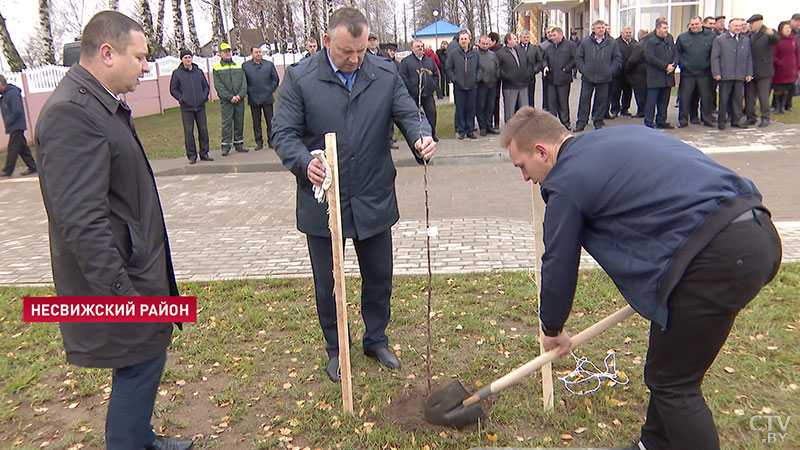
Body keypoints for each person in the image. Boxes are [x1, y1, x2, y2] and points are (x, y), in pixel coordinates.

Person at [500, 106, 781, 450]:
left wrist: (552, 328)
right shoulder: (623, 135)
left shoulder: (566, 182)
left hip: (715, 258)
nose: (526, 177)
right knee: (666, 369)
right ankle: (653, 445)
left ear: (541, 151)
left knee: (675, 384)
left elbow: (558, 261)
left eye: (522, 166)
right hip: (755, 231)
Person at [33, 11, 192, 450]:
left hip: (135, 267)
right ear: (107, 53)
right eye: (139, 58)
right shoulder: (71, 113)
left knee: (145, 360)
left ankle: (140, 436)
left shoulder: (97, 101)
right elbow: (81, 221)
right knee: (139, 366)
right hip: (117, 283)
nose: (146, 67)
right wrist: (120, 297)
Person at [272, 7, 436, 383]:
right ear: (327, 41)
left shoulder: (384, 73)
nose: (356, 58)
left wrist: (420, 137)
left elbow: (409, 114)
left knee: (379, 276)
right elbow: (283, 134)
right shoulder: (300, 78)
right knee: (328, 282)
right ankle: (336, 348)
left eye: (361, 50)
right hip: (323, 199)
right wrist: (303, 162)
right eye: (347, 51)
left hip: (373, 194)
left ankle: (375, 339)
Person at [575, 20, 622, 131]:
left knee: (601, 100)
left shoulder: (611, 42)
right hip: (588, 77)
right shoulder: (586, 42)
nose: (601, 29)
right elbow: (578, 57)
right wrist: (583, 69)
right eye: (599, 27)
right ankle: (581, 122)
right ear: (593, 29)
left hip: (604, 77)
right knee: (584, 100)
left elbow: (617, 58)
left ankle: (598, 121)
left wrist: (610, 70)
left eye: (603, 27)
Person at [169, 49, 212, 164]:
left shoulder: (198, 72)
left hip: (200, 106)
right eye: (185, 58)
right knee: (189, 131)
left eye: (189, 57)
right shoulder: (177, 73)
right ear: (182, 59)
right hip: (186, 108)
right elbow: (173, 89)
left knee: (203, 130)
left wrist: (204, 97)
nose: (188, 60)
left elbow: (206, 86)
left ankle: (204, 153)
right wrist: (182, 99)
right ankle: (192, 155)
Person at [711, 18, 753, 130]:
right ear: (729, 27)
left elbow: (749, 57)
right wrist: (716, 72)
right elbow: (715, 57)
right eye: (735, 26)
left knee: (738, 99)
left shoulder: (745, 39)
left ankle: (736, 120)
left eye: (740, 26)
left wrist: (749, 73)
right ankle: (721, 122)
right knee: (724, 99)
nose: (738, 28)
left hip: (740, 74)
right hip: (725, 74)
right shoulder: (720, 39)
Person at [675, 16, 716, 128]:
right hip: (688, 73)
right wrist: (683, 65)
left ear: (702, 24)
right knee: (685, 98)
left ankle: (707, 119)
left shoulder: (711, 36)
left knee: (706, 97)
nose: (694, 26)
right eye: (692, 24)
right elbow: (677, 53)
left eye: (696, 24)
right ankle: (683, 120)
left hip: (705, 73)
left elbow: (715, 53)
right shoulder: (682, 37)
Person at [744, 14, 780, 128]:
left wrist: (772, 34)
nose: (750, 25)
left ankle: (765, 117)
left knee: (763, 97)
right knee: (749, 96)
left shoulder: (768, 32)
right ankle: (751, 117)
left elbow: (777, 40)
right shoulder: (749, 34)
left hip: (764, 71)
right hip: (751, 70)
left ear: (759, 22)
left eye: (752, 23)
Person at [400, 40, 439, 141]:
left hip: (428, 94)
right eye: (417, 46)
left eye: (422, 46)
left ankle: (431, 135)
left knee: (432, 114)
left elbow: (435, 74)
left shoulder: (429, 61)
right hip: (413, 95)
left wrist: (433, 85)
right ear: (412, 49)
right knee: (414, 117)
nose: (420, 48)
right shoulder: (406, 62)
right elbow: (403, 77)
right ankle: (417, 137)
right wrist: (412, 89)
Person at [446, 30, 482, 140]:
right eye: (462, 39)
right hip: (459, 86)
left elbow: (480, 67)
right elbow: (449, 68)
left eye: (465, 39)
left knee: (471, 109)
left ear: (469, 40)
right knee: (460, 109)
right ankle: (461, 131)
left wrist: (477, 78)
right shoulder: (454, 53)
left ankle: (470, 130)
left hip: (472, 86)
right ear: (459, 41)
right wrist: (454, 79)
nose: (464, 41)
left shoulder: (475, 53)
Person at [213, 42, 248, 155]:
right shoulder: (217, 68)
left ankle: (239, 144)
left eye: (229, 51)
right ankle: (225, 146)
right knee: (227, 123)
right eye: (225, 51)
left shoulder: (238, 66)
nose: (228, 53)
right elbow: (218, 86)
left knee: (239, 121)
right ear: (220, 53)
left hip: (239, 99)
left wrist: (239, 95)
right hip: (226, 101)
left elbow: (244, 83)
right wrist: (229, 97)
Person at [242, 45, 280, 150]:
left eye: (259, 52)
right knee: (256, 122)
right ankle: (259, 142)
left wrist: (270, 89)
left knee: (270, 121)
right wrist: (249, 91)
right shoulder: (246, 66)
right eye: (256, 52)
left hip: (267, 98)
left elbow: (275, 79)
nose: (258, 54)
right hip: (253, 98)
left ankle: (272, 141)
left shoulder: (269, 65)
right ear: (252, 54)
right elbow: (244, 82)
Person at [0, 75, 37, 177]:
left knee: (13, 148)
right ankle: (33, 167)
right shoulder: (5, 95)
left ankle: (8, 170)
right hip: (13, 126)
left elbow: (17, 110)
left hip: (17, 125)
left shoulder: (12, 93)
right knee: (22, 148)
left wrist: (9, 122)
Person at [644, 19, 676, 129]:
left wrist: (673, 65)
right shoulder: (650, 41)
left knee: (664, 101)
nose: (666, 30)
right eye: (664, 28)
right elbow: (650, 57)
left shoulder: (669, 40)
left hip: (668, 77)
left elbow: (676, 54)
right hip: (655, 76)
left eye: (667, 28)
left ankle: (661, 121)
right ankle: (648, 122)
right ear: (658, 29)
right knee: (652, 101)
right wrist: (665, 66)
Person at [542, 27, 576, 130]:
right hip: (551, 79)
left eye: (554, 35)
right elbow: (544, 59)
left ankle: (565, 122)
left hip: (564, 79)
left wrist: (567, 69)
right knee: (551, 103)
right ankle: (553, 124)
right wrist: (545, 66)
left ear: (561, 34)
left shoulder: (570, 45)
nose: (552, 37)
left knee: (563, 102)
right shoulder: (549, 48)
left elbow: (575, 59)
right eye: (551, 36)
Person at [497, 33, 531, 123]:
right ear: (508, 40)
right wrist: (507, 76)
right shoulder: (501, 53)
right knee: (510, 110)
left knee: (525, 110)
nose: (516, 40)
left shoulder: (520, 51)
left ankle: (524, 127)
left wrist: (527, 73)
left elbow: (527, 63)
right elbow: (499, 68)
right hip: (510, 85)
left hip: (523, 84)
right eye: (514, 38)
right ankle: (510, 129)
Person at [772, 21, 800, 114]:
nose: (788, 30)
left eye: (789, 28)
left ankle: (783, 107)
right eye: (786, 28)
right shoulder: (777, 40)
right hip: (779, 69)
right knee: (778, 88)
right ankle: (777, 106)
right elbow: (773, 54)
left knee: (787, 88)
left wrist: (797, 65)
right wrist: (779, 63)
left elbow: (796, 53)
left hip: (791, 67)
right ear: (781, 30)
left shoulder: (794, 39)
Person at [475, 35, 500, 136]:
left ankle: (489, 125)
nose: (485, 45)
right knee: (480, 107)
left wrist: (497, 76)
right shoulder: (475, 54)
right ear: (479, 43)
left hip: (492, 84)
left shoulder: (493, 54)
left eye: (487, 44)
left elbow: (497, 66)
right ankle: (482, 127)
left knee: (490, 106)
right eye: (483, 44)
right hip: (481, 84)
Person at [609, 27, 635, 117]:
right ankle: (615, 109)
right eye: (626, 32)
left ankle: (625, 108)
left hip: (630, 72)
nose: (628, 34)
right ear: (622, 33)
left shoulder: (634, 43)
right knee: (616, 91)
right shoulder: (616, 42)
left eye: (630, 32)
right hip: (618, 72)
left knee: (628, 92)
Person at [626, 29, 649, 118]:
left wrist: (627, 69)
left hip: (638, 73)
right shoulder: (650, 44)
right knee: (646, 94)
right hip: (648, 73)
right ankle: (646, 111)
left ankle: (641, 111)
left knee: (640, 94)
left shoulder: (639, 45)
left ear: (640, 35)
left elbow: (633, 60)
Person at [519, 30, 543, 108]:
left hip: (531, 77)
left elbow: (539, 61)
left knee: (530, 98)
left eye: (527, 37)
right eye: (524, 37)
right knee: (520, 99)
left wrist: (535, 70)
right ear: (520, 38)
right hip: (519, 78)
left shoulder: (534, 48)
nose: (526, 39)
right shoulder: (516, 48)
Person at [539, 27, 554, 111]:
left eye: (551, 32)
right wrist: (544, 67)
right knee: (547, 95)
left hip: (560, 75)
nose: (550, 34)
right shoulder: (542, 46)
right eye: (548, 32)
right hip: (547, 75)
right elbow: (540, 60)